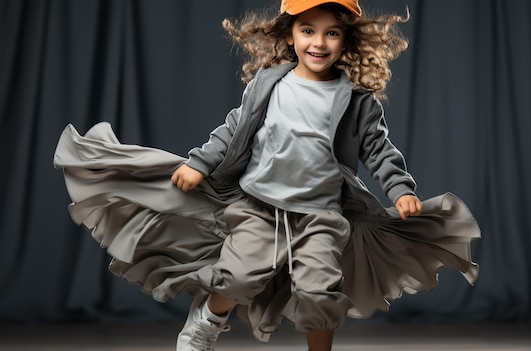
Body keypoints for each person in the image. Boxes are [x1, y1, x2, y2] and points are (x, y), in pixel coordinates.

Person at [53, 0, 480, 350]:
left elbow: (379, 149)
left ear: (346, 39)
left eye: (332, 32)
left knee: (320, 293)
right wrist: (199, 163)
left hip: (322, 217)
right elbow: (234, 129)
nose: (319, 42)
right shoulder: (269, 85)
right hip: (260, 207)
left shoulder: (357, 100)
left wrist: (401, 188)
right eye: (308, 30)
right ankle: (207, 319)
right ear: (290, 34)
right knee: (239, 277)